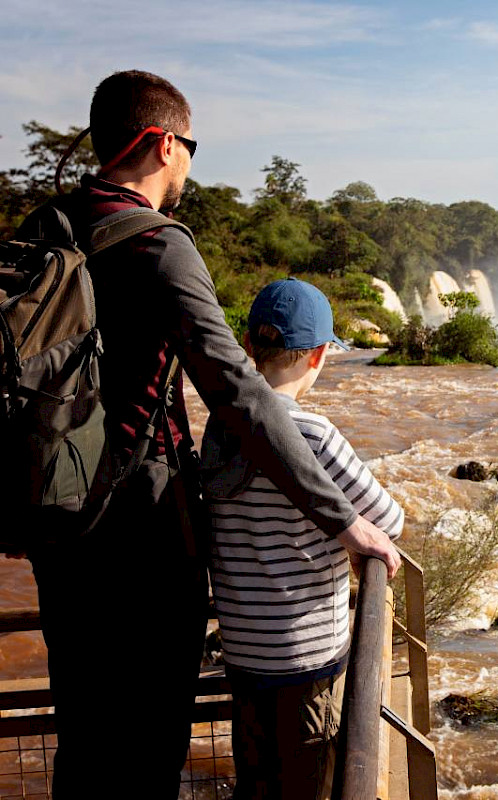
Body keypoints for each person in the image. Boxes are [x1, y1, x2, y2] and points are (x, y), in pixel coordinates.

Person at [18, 70, 400, 800]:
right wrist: (346, 521)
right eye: (190, 146)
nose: (191, 163)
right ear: (164, 144)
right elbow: (240, 396)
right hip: (141, 533)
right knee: (152, 741)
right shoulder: (159, 245)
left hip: (56, 527)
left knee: (87, 735)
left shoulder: (48, 228)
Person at [203, 278, 404, 800]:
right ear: (317, 355)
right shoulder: (312, 433)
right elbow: (389, 518)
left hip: (244, 655)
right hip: (304, 658)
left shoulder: (221, 430)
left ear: (248, 346)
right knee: (307, 780)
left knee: (257, 781)